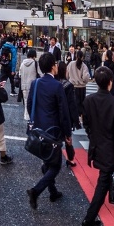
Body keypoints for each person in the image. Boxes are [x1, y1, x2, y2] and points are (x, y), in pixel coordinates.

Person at [80, 67, 114, 226]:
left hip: (96, 147)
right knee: (103, 184)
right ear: (110, 82)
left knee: (106, 179)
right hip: (111, 151)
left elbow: (86, 124)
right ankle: (88, 219)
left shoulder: (88, 101)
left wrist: (93, 136)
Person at [26, 52, 72, 210]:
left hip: (38, 130)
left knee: (48, 162)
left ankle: (53, 192)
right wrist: (67, 134)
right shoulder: (57, 86)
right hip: (53, 131)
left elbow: (29, 103)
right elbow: (63, 112)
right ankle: (36, 191)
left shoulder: (36, 83)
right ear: (53, 66)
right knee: (55, 165)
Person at [54, 60, 80, 167]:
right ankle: (70, 158)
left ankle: (55, 157)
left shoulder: (54, 83)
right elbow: (71, 104)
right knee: (68, 138)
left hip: (53, 114)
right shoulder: (67, 85)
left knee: (56, 138)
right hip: (65, 115)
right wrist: (76, 120)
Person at [19, 49, 41, 120]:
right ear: (34, 55)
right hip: (33, 86)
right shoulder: (35, 63)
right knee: (33, 102)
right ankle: (32, 116)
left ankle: (26, 116)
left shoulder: (22, 64)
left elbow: (19, 74)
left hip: (24, 85)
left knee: (26, 101)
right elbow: (39, 74)